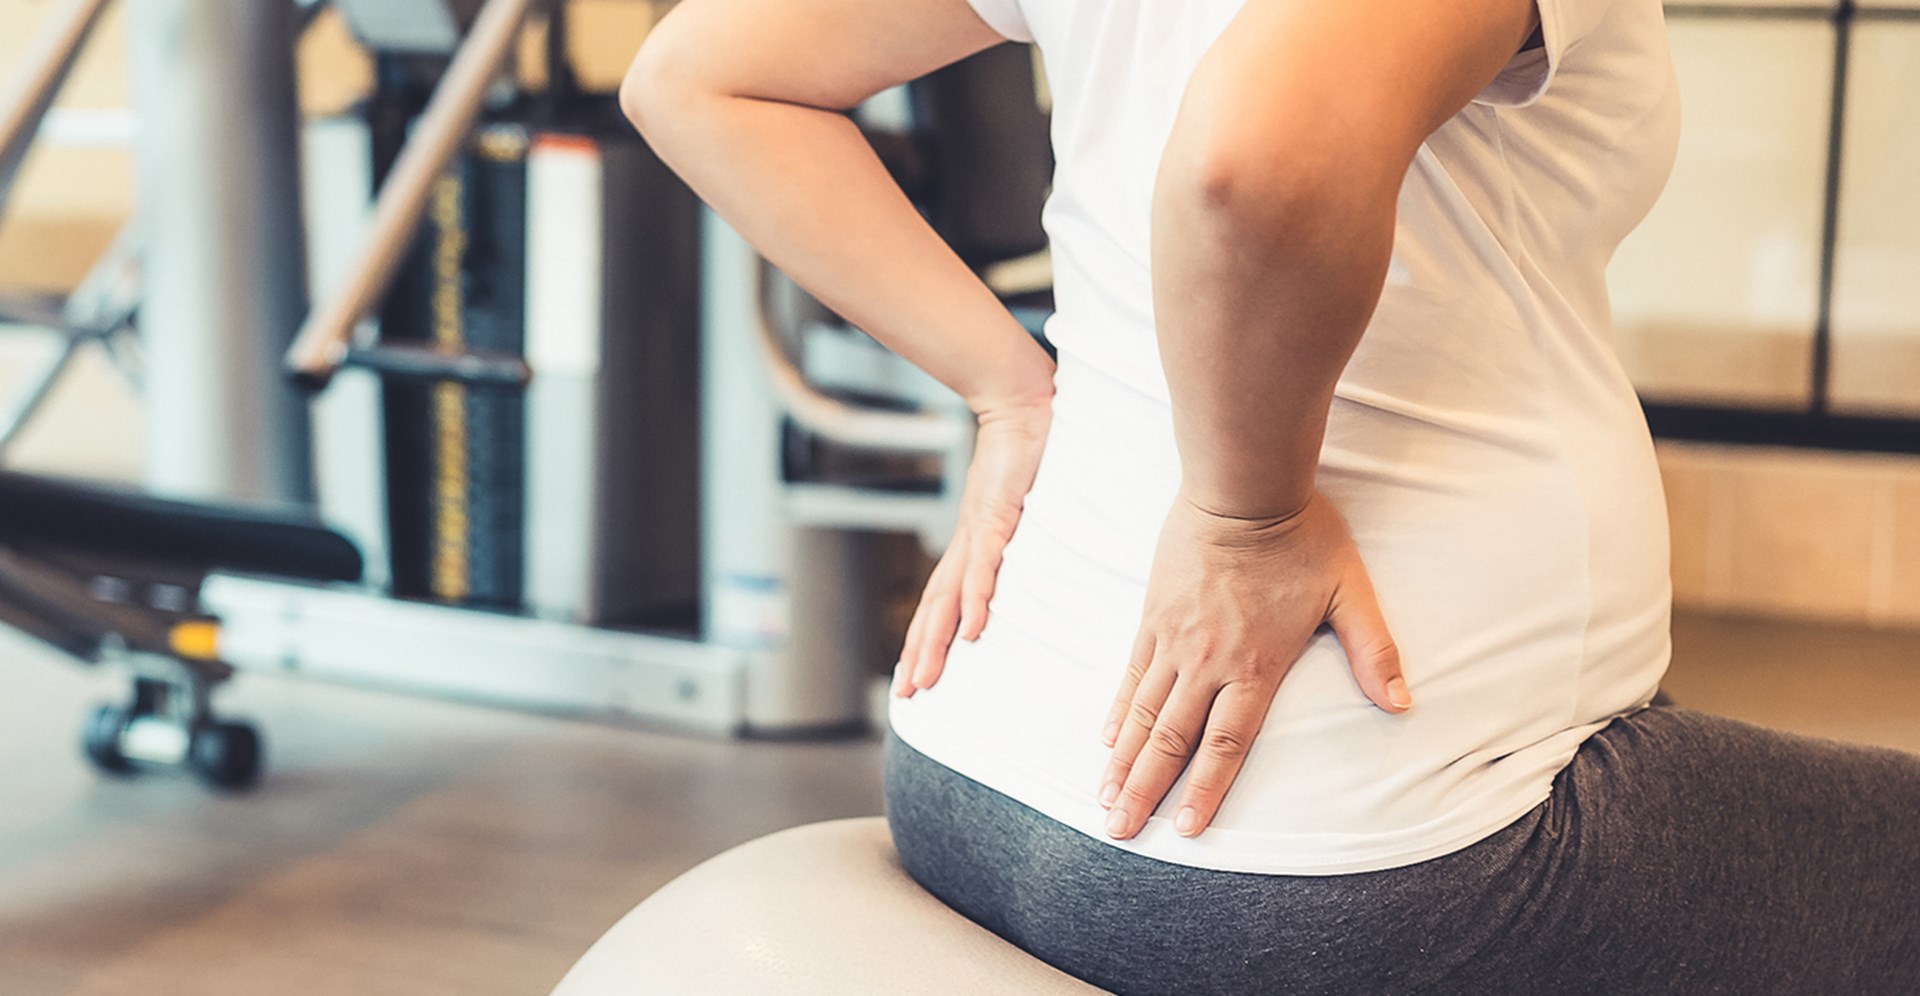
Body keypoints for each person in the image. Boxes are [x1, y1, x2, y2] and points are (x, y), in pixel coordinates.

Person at [621, 0, 1920, 991]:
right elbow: (1256, 159)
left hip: (969, 781)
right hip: (1369, 862)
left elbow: (699, 76)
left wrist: (1009, 389)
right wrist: (1250, 522)